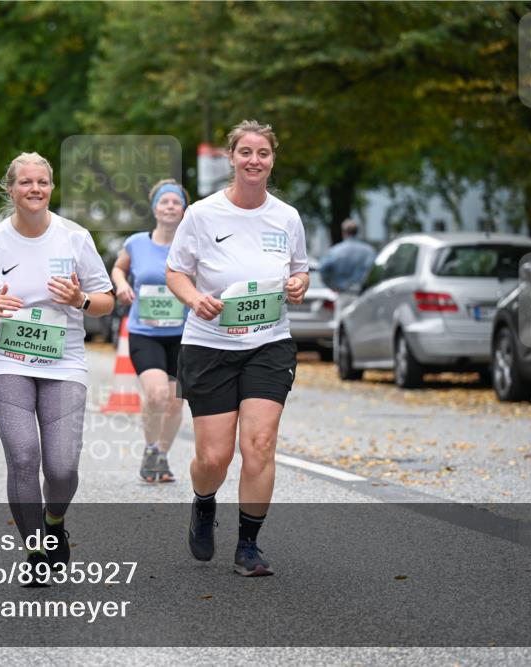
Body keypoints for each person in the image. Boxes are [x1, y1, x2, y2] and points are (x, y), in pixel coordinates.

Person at [0, 152, 114, 585]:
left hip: (63, 359)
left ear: (51, 187)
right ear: (11, 189)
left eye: (42, 182)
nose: (35, 190)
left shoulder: (75, 238)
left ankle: (55, 521)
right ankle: (37, 552)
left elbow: (106, 301)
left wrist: (78, 299)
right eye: (26, 182)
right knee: (24, 457)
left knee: (61, 468)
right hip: (6, 358)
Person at [166, 120, 310, 577]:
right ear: (231, 158)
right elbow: (176, 273)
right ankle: (204, 502)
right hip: (210, 345)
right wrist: (194, 299)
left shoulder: (286, 216)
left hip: (269, 342)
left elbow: (301, 270)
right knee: (214, 458)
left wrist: (298, 283)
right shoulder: (203, 215)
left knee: (260, 444)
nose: (254, 160)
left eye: (262, 153)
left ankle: (249, 545)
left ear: (272, 159)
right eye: (245, 152)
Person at [111, 178, 189, 483]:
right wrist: (121, 285)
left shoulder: (191, 244)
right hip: (145, 333)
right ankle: (150, 447)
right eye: (164, 201)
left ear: (184, 210)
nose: (170, 206)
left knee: (175, 401)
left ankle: (162, 455)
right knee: (157, 394)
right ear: (155, 207)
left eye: (176, 202)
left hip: (184, 335)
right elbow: (119, 268)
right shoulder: (136, 243)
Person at [318, 218, 376, 293]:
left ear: (343, 232)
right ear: (357, 232)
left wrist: (331, 286)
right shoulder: (369, 251)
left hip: (342, 294)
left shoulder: (335, 251)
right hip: (363, 295)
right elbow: (375, 272)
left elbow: (323, 269)